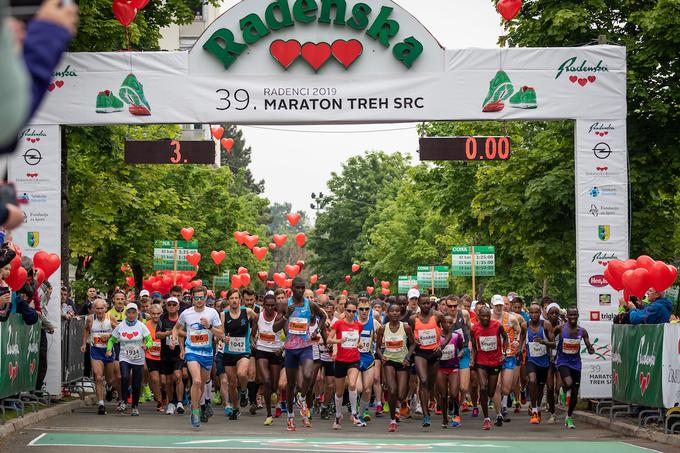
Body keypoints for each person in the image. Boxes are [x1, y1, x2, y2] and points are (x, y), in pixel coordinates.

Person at [172, 285, 223, 428]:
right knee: (197, 381)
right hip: (191, 351)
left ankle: (196, 402)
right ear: (192, 298)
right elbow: (177, 327)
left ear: (206, 297)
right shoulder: (186, 313)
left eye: (202, 297)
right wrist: (175, 339)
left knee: (202, 382)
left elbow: (221, 333)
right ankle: (195, 411)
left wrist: (209, 327)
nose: (199, 300)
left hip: (207, 352)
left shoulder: (212, 313)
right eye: (196, 298)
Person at [280, 276, 327, 431]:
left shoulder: (310, 304)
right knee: (291, 384)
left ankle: (302, 397)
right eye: (297, 288)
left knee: (308, 375)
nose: (300, 290)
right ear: (292, 288)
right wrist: (286, 316)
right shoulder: (284, 304)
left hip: (306, 346)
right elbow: (275, 327)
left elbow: (324, 316)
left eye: (302, 287)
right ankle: (291, 417)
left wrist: (317, 330)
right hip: (290, 349)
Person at [410, 293, 450, 428]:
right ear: (419, 304)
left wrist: (442, 346)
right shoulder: (413, 318)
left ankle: (434, 404)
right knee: (424, 380)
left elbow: (448, 332)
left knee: (431, 385)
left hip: (434, 353)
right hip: (420, 353)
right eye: (423, 303)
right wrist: (413, 341)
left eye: (428, 303)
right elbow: (409, 336)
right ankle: (426, 415)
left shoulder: (438, 316)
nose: (426, 305)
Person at [106, 303, 152, 416]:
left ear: (137, 313)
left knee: (137, 382)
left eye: (133, 313)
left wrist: (147, 346)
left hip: (138, 358)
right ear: (125, 313)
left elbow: (149, 339)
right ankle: (124, 401)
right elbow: (112, 339)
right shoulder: (120, 326)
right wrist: (108, 349)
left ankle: (135, 406)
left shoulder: (141, 326)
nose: (131, 315)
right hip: (124, 356)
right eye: (129, 313)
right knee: (125, 377)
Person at [375, 303, 416, 432]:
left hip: (402, 362)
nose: (394, 313)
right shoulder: (382, 328)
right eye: (392, 311)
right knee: (392, 390)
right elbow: (377, 347)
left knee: (401, 394)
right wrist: (382, 357)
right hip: (389, 361)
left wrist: (408, 357)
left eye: (397, 311)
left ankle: (402, 403)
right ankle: (393, 420)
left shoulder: (406, 327)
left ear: (400, 313)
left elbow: (413, 344)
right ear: (387, 313)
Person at [554, 307, 595, 429]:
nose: (572, 317)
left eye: (575, 315)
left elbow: (589, 347)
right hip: (563, 361)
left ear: (578, 316)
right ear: (567, 316)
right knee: (569, 383)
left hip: (576, 363)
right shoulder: (560, 329)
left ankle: (569, 417)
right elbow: (551, 338)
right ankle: (563, 389)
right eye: (570, 315)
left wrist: (591, 349)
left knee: (575, 392)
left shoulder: (582, 331)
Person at [220, 288, 257, 420]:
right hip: (229, 351)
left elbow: (258, 318)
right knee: (232, 383)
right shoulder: (224, 314)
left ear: (240, 299)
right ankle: (236, 408)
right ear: (228, 300)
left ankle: (244, 391)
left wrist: (253, 335)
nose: (234, 301)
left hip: (244, 350)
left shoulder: (247, 311)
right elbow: (221, 332)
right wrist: (224, 338)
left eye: (236, 298)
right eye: (231, 298)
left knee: (242, 373)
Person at [470, 305, 508, 430]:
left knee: (491, 391)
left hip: (495, 362)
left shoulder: (497, 326)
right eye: (483, 316)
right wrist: (473, 359)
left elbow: (505, 337)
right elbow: (474, 346)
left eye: (488, 316)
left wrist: (504, 353)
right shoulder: (474, 329)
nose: (486, 318)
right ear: (478, 316)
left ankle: (493, 411)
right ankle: (486, 419)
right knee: (483, 387)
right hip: (481, 362)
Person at [326, 300, 363, 429]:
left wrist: (360, 344)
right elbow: (328, 339)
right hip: (341, 360)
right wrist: (338, 340)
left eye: (354, 311)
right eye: (349, 311)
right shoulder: (338, 324)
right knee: (339, 392)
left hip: (354, 359)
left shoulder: (359, 325)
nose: (351, 313)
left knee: (353, 384)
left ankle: (354, 414)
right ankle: (338, 416)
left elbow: (359, 341)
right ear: (344, 310)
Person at [80, 298, 118, 415]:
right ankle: (101, 404)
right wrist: (84, 343)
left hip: (108, 351)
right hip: (95, 350)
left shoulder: (110, 318)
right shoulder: (91, 319)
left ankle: (109, 387)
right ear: (94, 309)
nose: (100, 311)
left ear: (105, 308)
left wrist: (110, 335)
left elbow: (119, 331)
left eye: (102, 308)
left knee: (110, 379)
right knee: (98, 376)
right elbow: (86, 329)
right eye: (97, 308)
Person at [252, 292, 284, 426]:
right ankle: (268, 414)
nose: (270, 308)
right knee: (266, 380)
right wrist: (253, 343)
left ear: (275, 306)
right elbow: (252, 334)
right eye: (267, 306)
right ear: (263, 306)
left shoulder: (280, 318)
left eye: (272, 306)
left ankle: (274, 395)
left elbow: (288, 338)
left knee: (274, 385)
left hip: (275, 352)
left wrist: (281, 349)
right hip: (262, 350)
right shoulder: (258, 317)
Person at [490, 294, 521, 423]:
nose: (498, 307)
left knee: (506, 388)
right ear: (492, 305)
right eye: (496, 305)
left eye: (500, 305)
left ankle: (503, 403)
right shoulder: (487, 317)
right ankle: (499, 413)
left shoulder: (512, 319)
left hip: (508, 355)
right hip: (493, 356)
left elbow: (519, 331)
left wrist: (517, 341)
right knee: (496, 386)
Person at [525, 303, 555, 424]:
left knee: (540, 389)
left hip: (544, 362)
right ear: (529, 314)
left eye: (536, 312)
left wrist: (543, 342)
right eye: (531, 312)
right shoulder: (524, 325)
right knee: (532, 381)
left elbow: (553, 344)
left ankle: (536, 405)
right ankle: (535, 411)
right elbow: (522, 340)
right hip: (531, 360)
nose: (534, 315)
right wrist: (519, 349)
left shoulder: (546, 325)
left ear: (540, 313)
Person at [155, 296, 184, 415]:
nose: (171, 307)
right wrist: (169, 333)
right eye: (169, 305)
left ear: (178, 306)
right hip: (166, 353)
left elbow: (185, 334)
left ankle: (180, 403)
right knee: (167, 380)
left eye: (174, 305)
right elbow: (157, 335)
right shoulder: (162, 318)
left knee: (178, 375)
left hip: (178, 352)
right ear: (166, 306)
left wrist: (177, 334)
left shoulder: (182, 319)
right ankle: (171, 402)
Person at [437, 314, 465, 428]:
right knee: (443, 395)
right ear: (441, 325)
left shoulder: (456, 335)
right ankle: (444, 418)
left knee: (454, 393)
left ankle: (456, 415)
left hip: (453, 366)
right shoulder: (437, 337)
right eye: (445, 323)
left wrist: (461, 352)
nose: (447, 325)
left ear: (452, 324)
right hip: (440, 368)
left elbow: (462, 347)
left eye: (449, 323)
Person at [355, 296, 380, 425]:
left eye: (366, 309)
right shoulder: (352, 320)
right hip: (354, 358)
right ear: (357, 309)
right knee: (358, 388)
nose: (364, 311)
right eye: (361, 309)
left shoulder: (374, 322)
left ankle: (361, 414)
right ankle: (355, 409)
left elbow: (381, 335)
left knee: (367, 389)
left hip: (368, 358)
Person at [144, 304, 163, 411]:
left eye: (158, 314)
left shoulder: (164, 324)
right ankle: (159, 401)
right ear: (150, 314)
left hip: (164, 356)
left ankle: (165, 397)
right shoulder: (145, 325)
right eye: (153, 314)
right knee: (155, 380)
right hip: (150, 356)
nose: (156, 316)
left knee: (164, 382)